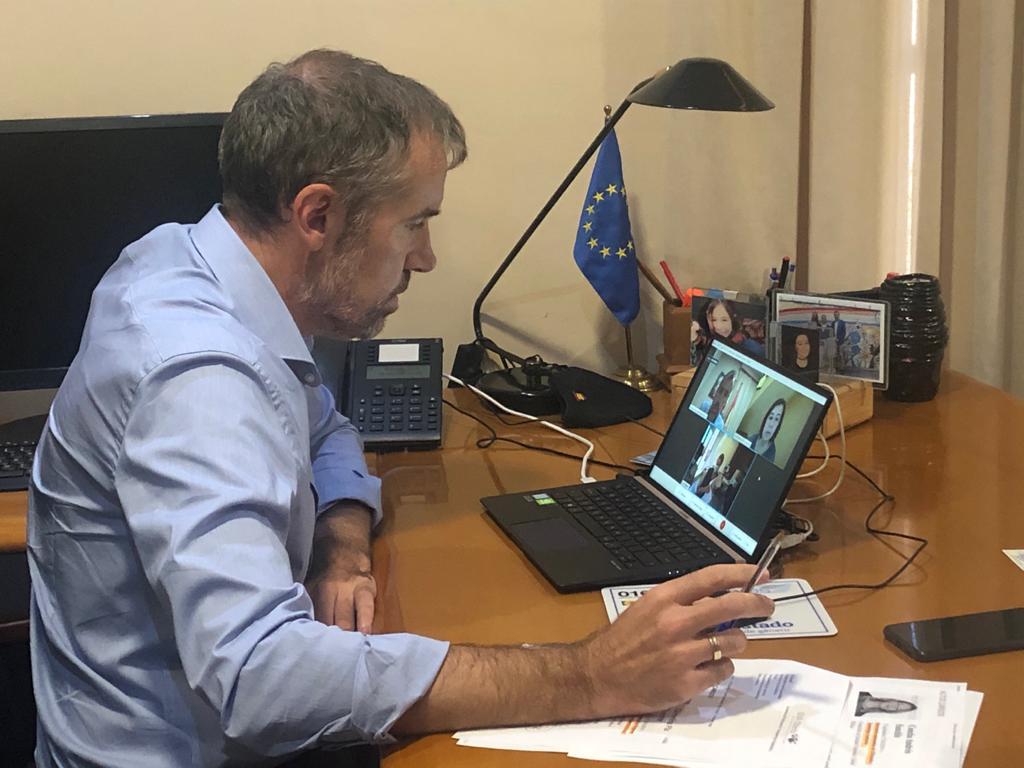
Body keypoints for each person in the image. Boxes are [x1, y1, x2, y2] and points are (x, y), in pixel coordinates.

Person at [27, 49, 773, 768]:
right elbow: (262, 679)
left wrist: (341, 548)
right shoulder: (198, 380)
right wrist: (588, 675)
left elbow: (325, 429)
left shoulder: (194, 261)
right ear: (317, 215)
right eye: (414, 222)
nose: (426, 257)